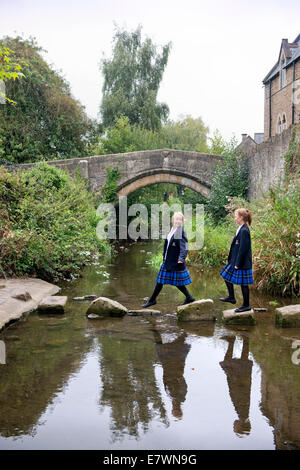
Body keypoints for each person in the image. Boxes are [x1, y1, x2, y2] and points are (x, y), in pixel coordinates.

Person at [142, 212, 195, 308]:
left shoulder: (180, 232)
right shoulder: (171, 231)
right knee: (161, 281)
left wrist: (181, 258)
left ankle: (189, 297)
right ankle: (153, 299)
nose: (178, 221)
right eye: (176, 219)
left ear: (182, 221)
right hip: (168, 260)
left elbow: (184, 247)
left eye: (180, 219)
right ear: (173, 220)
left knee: (175, 283)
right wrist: (164, 255)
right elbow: (168, 245)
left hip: (175, 261)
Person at [219, 208, 253, 312]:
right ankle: (231, 297)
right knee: (225, 275)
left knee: (244, 284)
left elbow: (243, 249)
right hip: (235, 260)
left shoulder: (244, 230)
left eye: (236, 217)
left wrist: (238, 263)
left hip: (242, 262)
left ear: (241, 218)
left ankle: (246, 305)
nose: (235, 219)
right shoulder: (241, 228)